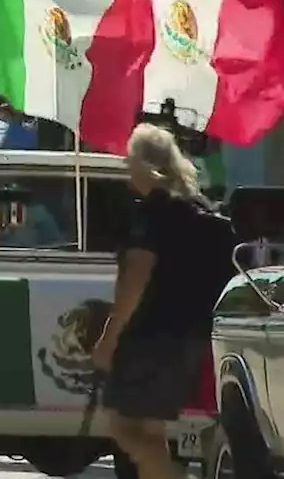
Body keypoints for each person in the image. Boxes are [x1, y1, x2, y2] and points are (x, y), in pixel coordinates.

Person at [93, 124, 232, 479]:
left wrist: (108, 339)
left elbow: (135, 278)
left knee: (121, 425)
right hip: (189, 337)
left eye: (130, 161)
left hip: (149, 337)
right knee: (150, 430)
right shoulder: (199, 208)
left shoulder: (151, 212)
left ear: (145, 165)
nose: (126, 168)